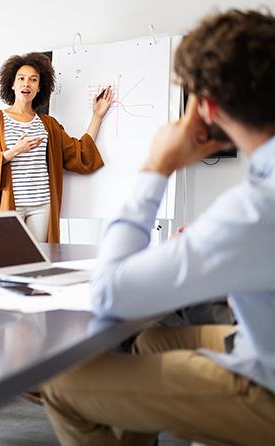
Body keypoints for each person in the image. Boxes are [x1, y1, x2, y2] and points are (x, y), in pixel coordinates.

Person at [41, 9, 275, 445]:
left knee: (62, 383)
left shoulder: (256, 207)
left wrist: (157, 165)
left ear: (206, 107)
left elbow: (110, 294)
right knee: (151, 342)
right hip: (252, 338)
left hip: (267, 389)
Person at [0, 53, 112, 242]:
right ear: (12, 84)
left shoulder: (48, 124)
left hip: (41, 206)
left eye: (33, 80)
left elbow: (79, 152)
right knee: (10, 257)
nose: (27, 84)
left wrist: (97, 116)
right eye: (22, 78)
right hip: (10, 204)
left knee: (39, 261)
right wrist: (15, 150)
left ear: (39, 87)